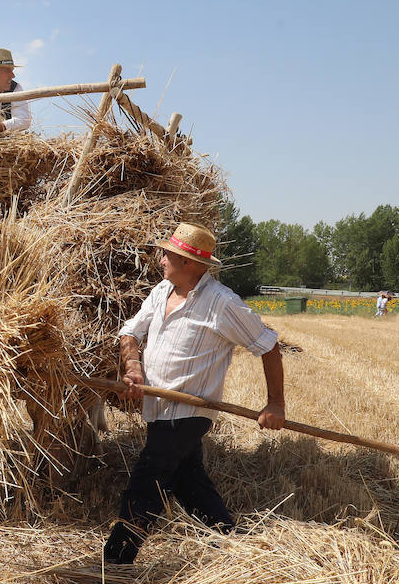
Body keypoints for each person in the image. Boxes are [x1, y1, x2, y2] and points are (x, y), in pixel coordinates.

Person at [106, 223, 285, 566]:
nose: (160, 260)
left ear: (188, 262)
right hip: (158, 410)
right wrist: (133, 367)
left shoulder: (222, 303)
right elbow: (130, 332)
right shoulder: (162, 291)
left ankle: (113, 564)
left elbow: (269, 346)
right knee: (189, 485)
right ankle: (232, 548)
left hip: (189, 414)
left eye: (167, 255)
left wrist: (275, 402)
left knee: (147, 482)